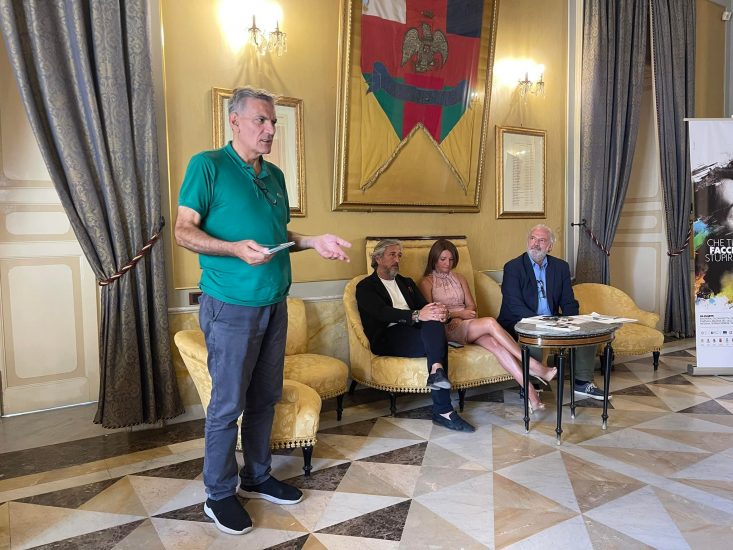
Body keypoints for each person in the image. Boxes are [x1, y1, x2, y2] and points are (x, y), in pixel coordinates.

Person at [174, 86, 351, 536]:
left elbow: (278, 234)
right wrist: (234, 248)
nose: (270, 129)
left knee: (264, 398)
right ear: (234, 121)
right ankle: (218, 494)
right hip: (230, 306)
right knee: (227, 404)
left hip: (275, 303)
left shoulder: (274, 175)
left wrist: (313, 241)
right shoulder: (207, 165)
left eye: (273, 121)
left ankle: (256, 475)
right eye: (261, 120)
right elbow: (183, 231)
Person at [418, 239, 557, 412]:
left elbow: (472, 306)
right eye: (443, 259)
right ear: (434, 259)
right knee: (490, 322)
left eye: (451, 259)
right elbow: (433, 314)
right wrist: (459, 314)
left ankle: (531, 395)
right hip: (447, 329)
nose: (448, 263)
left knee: (496, 345)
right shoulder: (426, 282)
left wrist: (465, 314)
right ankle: (533, 365)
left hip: (469, 324)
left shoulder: (460, 278)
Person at [355, 239, 475, 432]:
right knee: (437, 341)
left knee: (434, 322)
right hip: (388, 336)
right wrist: (417, 315)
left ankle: (436, 372)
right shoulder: (365, 286)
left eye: (399, 255)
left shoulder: (407, 283)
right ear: (378, 258)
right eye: (392, 255)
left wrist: (441, 313)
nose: (397, 259)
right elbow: (382, 313)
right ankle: (443, 410)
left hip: (416, 332)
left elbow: (425, 307)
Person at [497, 224, 610, 401]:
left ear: (550, 246)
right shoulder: (513, 267)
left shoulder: (560, 267)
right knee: (533, 335)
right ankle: (531, 384)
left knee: (586, 331)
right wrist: (540, 322)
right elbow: (514, 305)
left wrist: (574, 322)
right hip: (520, 321)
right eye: (532, 238)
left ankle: (582, 382)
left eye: (541, 240)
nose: (535, 244)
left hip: (552, 320)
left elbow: (568, 301)